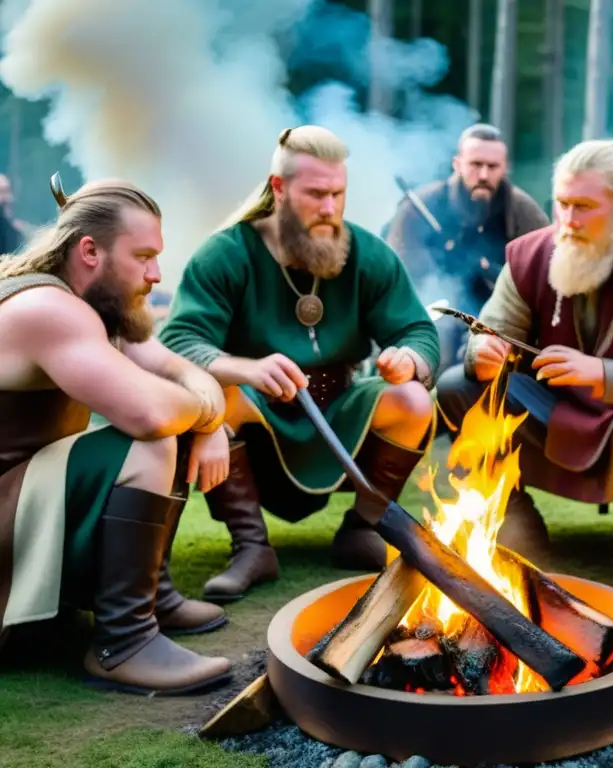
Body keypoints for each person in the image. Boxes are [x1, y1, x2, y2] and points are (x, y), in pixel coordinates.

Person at [159, 125, 441, 602]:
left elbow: (419, 331)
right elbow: (179, 341)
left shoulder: (367, 254)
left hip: (339, 414)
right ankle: (251, 547)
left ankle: (362, 529)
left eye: (338, 194)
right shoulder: (226, 253)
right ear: (279, 188)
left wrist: (406, 358)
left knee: (412, 400)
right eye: (316, 195)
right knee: (217, 395)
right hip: (257, 416)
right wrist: (243, 369)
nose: (330, 209)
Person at [435, 136, 613, 581]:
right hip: (552, 405)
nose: (567, 220)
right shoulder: (531, 254)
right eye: (562, 204)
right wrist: (483, 352)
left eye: (583, 206)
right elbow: (489, 329)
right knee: (459, 387)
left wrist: (600, 374)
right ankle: (511, 513)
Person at [0, 178, 233, 695]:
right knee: (146, 439)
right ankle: (124, 642)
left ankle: (150, 596)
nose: (155, 274)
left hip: (17, 504)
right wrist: (205, 414)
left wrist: (206, 416)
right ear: (89, 251)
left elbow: (174, 369)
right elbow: (150, 414)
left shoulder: (93, 308)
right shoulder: (49, 310)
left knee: (175, 423)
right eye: (143, 256)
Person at [386, 123, 550, 368]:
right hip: (433, 310)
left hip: (502, 315)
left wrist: (489, 270)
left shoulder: (523, 211)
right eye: (475, 165)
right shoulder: (420, 207)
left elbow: (542, 278)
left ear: (505, 168)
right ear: (457, 164)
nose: (483, 175)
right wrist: (440, 264)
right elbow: (400, 275)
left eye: (492, 167)